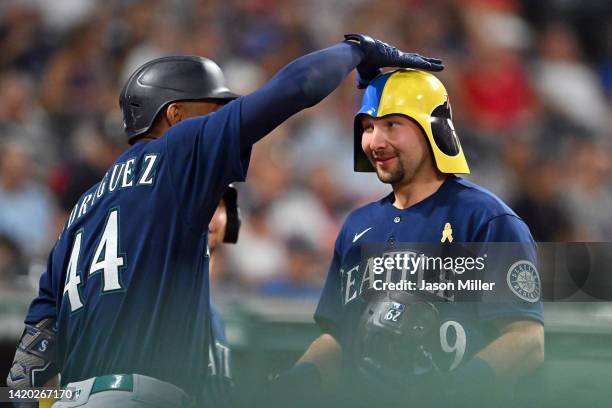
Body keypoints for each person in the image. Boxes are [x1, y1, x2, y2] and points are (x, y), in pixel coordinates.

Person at [6, 35, 444, 407]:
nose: (221, 115)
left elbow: (32, 361)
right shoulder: (178, 152)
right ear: (174, 115)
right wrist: (357, 52)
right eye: (211, 106)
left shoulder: (82, 210)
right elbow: (297, 87)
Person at [277, 69, 545, 407]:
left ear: (433, 128)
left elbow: (526, 340)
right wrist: (292, 383)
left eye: (392, 124)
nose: (376, 141)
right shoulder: (357, 225)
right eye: (368, 127)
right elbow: (339, 339)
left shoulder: (487, 219)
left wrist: (450, 393)